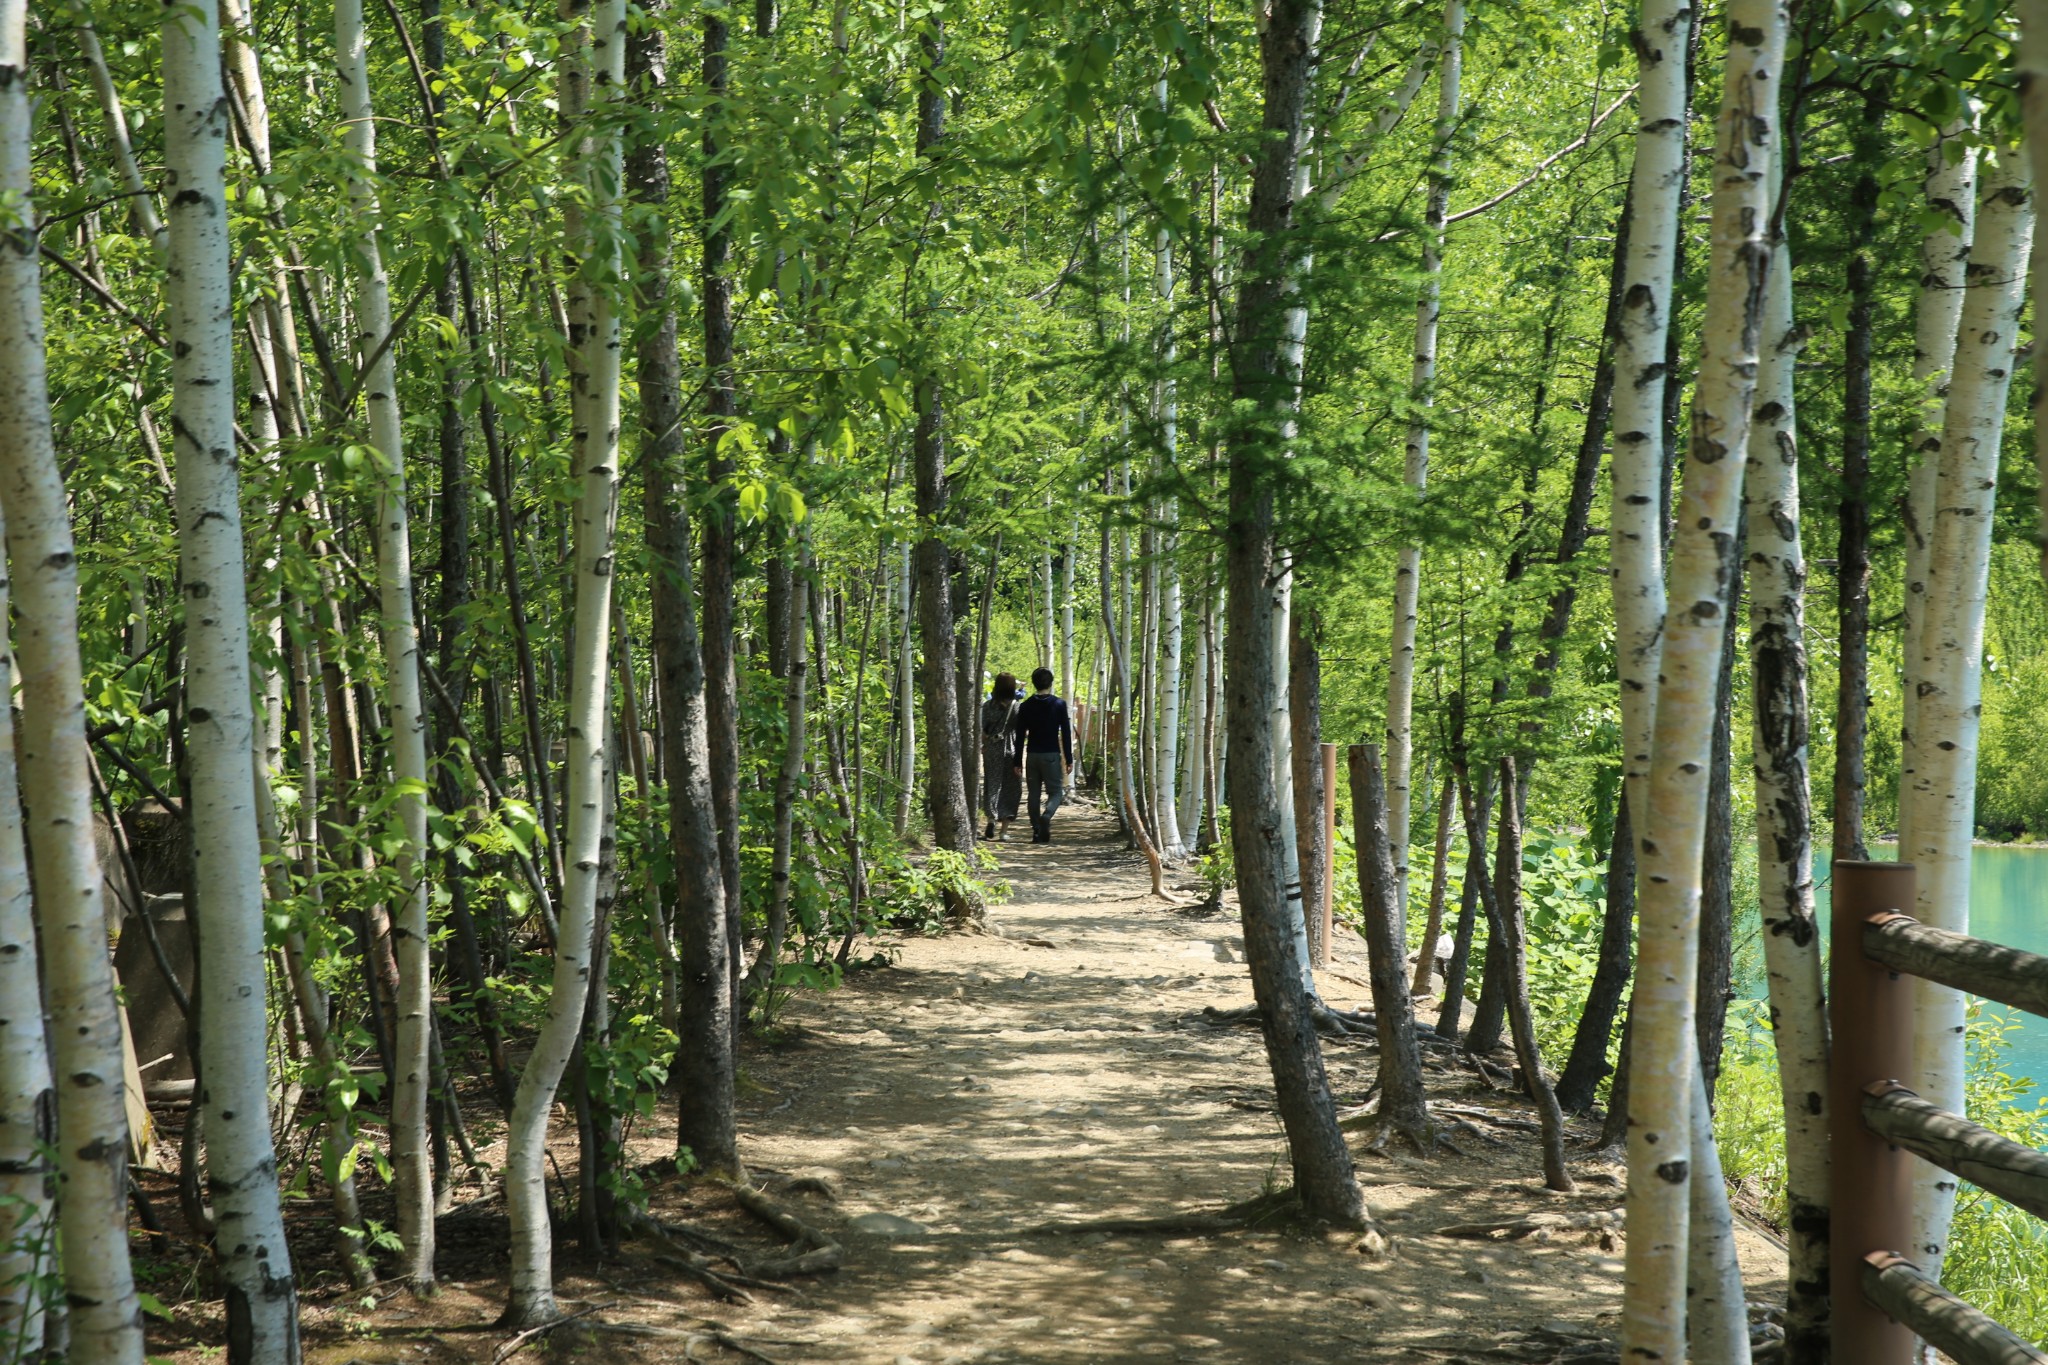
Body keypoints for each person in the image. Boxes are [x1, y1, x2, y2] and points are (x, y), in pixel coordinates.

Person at [1010, 666, 1073, 844]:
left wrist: (1017, 761)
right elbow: (1066, 733)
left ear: (1034, 683)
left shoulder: (1026, 705)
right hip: (1051, 755)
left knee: (1033, 794)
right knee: (1056, 793)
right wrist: (1069, 758)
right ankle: (1046, 816)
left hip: (1032, 756)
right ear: (1051, 683)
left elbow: (1020, 735)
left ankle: (1036, 830)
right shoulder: (1059, 704)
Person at [979, 673, 1022, 840]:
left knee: (992, 783)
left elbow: (983, 730)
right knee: (1011, 787)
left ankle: (991, 818)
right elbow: (1021, 729)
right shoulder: (1017, 707)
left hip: (992, 749)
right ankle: (1004, 831)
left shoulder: (987, 706)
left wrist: (985, 744)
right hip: (1011, 748)